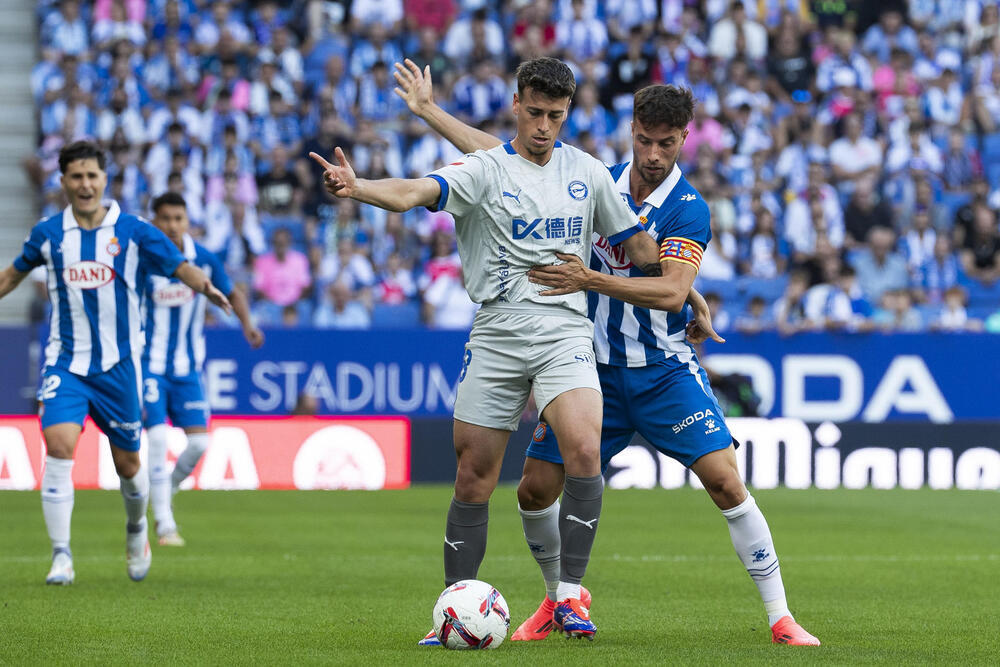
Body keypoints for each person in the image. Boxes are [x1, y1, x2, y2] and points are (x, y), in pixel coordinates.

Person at [391, 60, 820, 646]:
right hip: (589, 365)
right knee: (534, 489)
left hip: (662, 370)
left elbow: (666, 289)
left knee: (725, 481)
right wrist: (429, 112)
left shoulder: (688, 206)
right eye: (643, 140)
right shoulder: (596, 177)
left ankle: (780, 615)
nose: (651, 154)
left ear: (683, 140)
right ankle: (558, 600)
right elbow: (504, 157)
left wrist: (600, 280)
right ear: (632, 131)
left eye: (665, 144)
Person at [312, 57, 668, 643]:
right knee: (475, 476)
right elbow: (414, 192)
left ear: (567, 113)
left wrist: (683, 283)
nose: (543, 126)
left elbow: (638, 243)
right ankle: (452, 610)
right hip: (498, 330)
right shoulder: (482, 170)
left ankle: (568, 597)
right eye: (534, 113)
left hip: (564, 329)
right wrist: (359, 188)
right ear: (515, 105)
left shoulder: (587, 173)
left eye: (555, 115)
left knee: (583, 448)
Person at [0, 141, 231, 585]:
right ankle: (62, 556)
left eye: (92, 176)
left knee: (128, 466)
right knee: (60, 445)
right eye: (76, 177)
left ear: (105, 180)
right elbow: (12, 273)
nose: (85, 185)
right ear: (64, 181)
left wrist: (206, 287)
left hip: (120, 368)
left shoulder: (133, 230)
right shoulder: (48, 234)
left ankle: (136, 528)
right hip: (66, 364)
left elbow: (177, 264)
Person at [141, 192, 263, 547]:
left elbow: (234, 292)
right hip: (149, 365)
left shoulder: (203, 259)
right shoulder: (144, 260)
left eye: (179, 219)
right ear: (155, 222)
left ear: (188, 222)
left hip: (187, 368)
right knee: (159, 437)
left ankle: (166, 489)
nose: (173, 226)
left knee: (198, 443)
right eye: (165, 219)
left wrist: (247, 325)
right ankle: (164, 525)